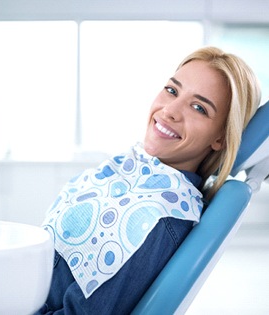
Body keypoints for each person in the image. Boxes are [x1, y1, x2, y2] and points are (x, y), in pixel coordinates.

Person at [34, 46, 261, 314]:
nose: (170, 111)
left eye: (199, 108)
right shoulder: (129, 170)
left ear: (221, 138)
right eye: (172, 90)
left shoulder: (156, 219)